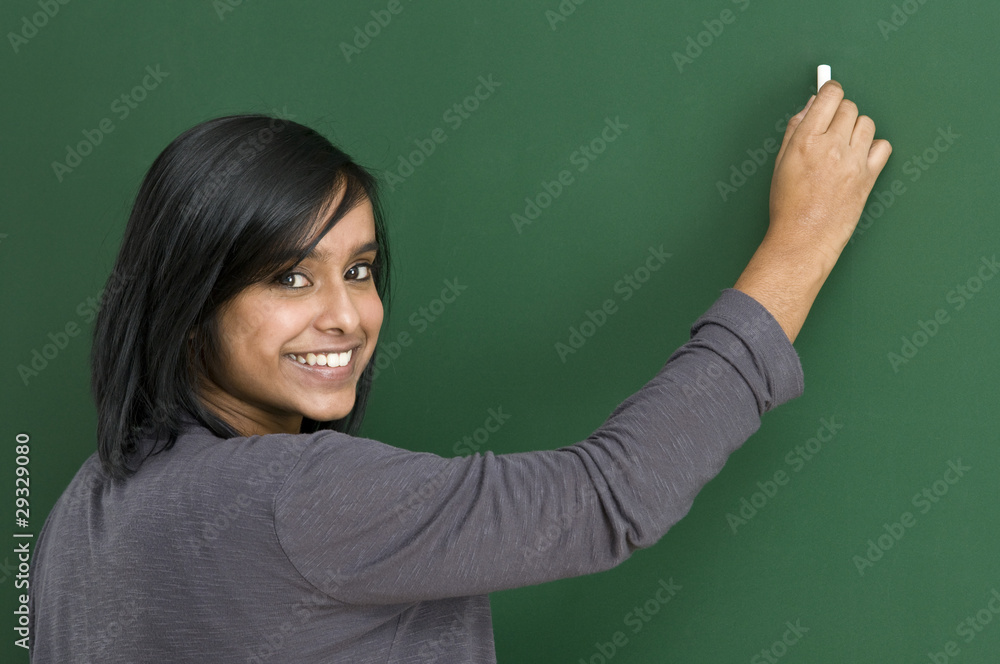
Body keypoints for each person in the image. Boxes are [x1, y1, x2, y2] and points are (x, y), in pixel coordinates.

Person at [27, 79, 890, 662]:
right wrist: (801, 242)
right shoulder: (297, 498)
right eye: (289, 277)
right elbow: (605, 498)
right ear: (189, 300)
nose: (345, 315)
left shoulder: (84, 507)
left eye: (359, 270)